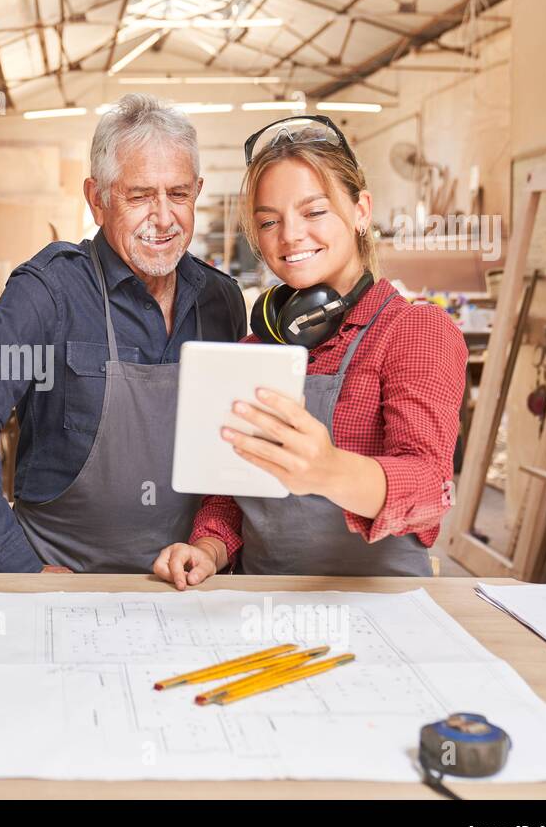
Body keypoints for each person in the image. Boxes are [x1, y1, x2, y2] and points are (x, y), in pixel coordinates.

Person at [0, 94, 246, 574]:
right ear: (98, 199)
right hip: (61, 584)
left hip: (185, 583)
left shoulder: (220, 302)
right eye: (139, 196)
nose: (163, 217)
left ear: (197, 191)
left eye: (178, 194)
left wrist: (214, 548)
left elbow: (231, 456)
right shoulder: (50, 294)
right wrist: (15, 566)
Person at [153, 115, 467, 586]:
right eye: (269, 221)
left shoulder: (414, 330)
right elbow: (231, 494)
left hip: (380, 608)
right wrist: (208, 548)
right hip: (262, 603)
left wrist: (327, 470)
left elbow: (430, 489)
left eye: (314, 211)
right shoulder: (256, 346)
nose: (290, 235)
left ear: (361, 211)